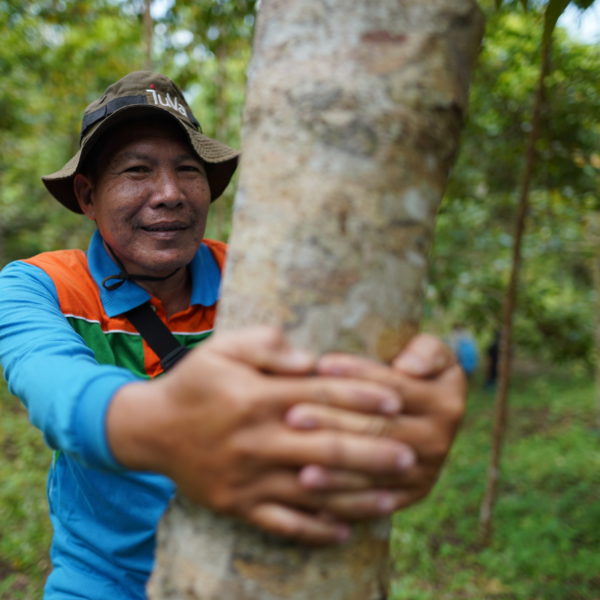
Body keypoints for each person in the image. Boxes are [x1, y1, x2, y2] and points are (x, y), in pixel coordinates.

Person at [0, 71, 465, 600]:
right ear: (88, 194)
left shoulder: (261, 279)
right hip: (105, 583)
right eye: (137, 171)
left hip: (258, 575)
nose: (170, 194)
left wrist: (403, 415)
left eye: (187, 170)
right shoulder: (40, 285)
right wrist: (171, 427)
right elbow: (52, 384)